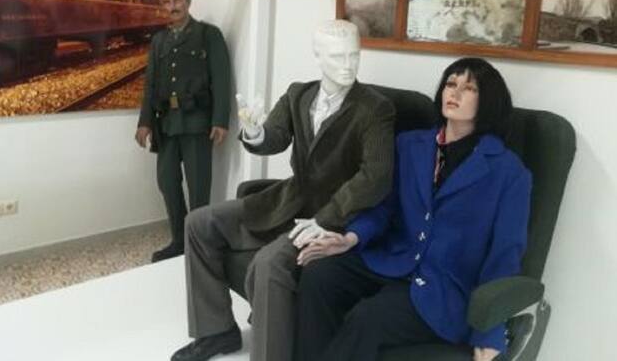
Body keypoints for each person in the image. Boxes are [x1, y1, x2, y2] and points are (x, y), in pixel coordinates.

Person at [170, 20, 396, 361]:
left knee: (269, 263)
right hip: (289, 199)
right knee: (198, 223)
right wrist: (255, 132)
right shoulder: (298, 95)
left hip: (336, 216)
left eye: (354, 55)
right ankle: (217, 332)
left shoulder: (375, 108)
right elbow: (274, 138)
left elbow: (375, 176)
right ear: (318, 56)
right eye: (338, 56)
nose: (348, 64)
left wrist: (328, 218)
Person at [294, 57, 532, 361]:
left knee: (369, 318)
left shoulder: (510, 173)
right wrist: (350, 238)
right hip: (392, 260)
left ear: (489, 101)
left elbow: (505, 254)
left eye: (469, 88)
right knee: (318, 275)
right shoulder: (409, 145)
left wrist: (491, 332)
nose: (454, 92)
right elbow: (384, 208)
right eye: (451, 83)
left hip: (443, 287)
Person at [135, 0, 231, 263]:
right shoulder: (159, 41)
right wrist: (144, 121)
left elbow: (221, 78)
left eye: (177, 0)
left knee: (199, 186)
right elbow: (150, 84)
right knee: (167, 182)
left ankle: (199, 245)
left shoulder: (208, 35)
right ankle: (179, 241)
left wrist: (220, 120)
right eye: (166, 2)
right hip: (166, 124)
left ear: (188, 1)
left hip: (197, 121)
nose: (172, 7)